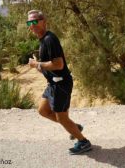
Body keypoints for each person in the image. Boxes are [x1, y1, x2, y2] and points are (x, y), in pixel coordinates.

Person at [27, 10, 92, 154]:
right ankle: (75, 127)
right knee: (43, 111)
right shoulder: (42, 40)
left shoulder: (50, 39)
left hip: (61, 84)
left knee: (62, 118)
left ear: (44, 21)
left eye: (35, 21)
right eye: (29, 23)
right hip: (52, 84)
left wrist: (37, 64)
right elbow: (47, 67)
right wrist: (37, 65)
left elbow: (58, 64)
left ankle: (83, 142)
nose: (32, 25)